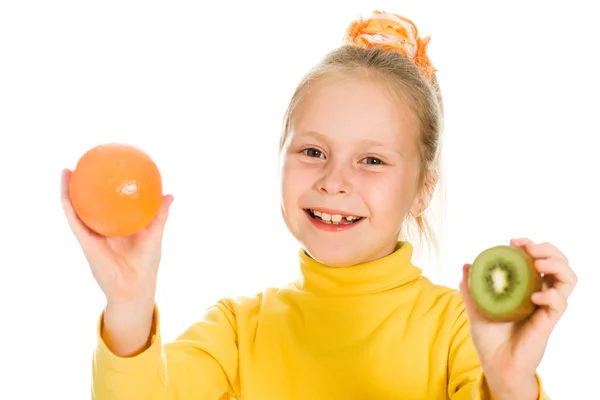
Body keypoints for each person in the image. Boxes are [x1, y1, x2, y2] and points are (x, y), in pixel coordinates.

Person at [61, 10, 577, 400]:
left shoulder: (459, 331)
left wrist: (509, 384)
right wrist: (128, 307)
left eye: (372, 160)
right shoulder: (238, 330)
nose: (334, 181)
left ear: (423, 189)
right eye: (313, 152)